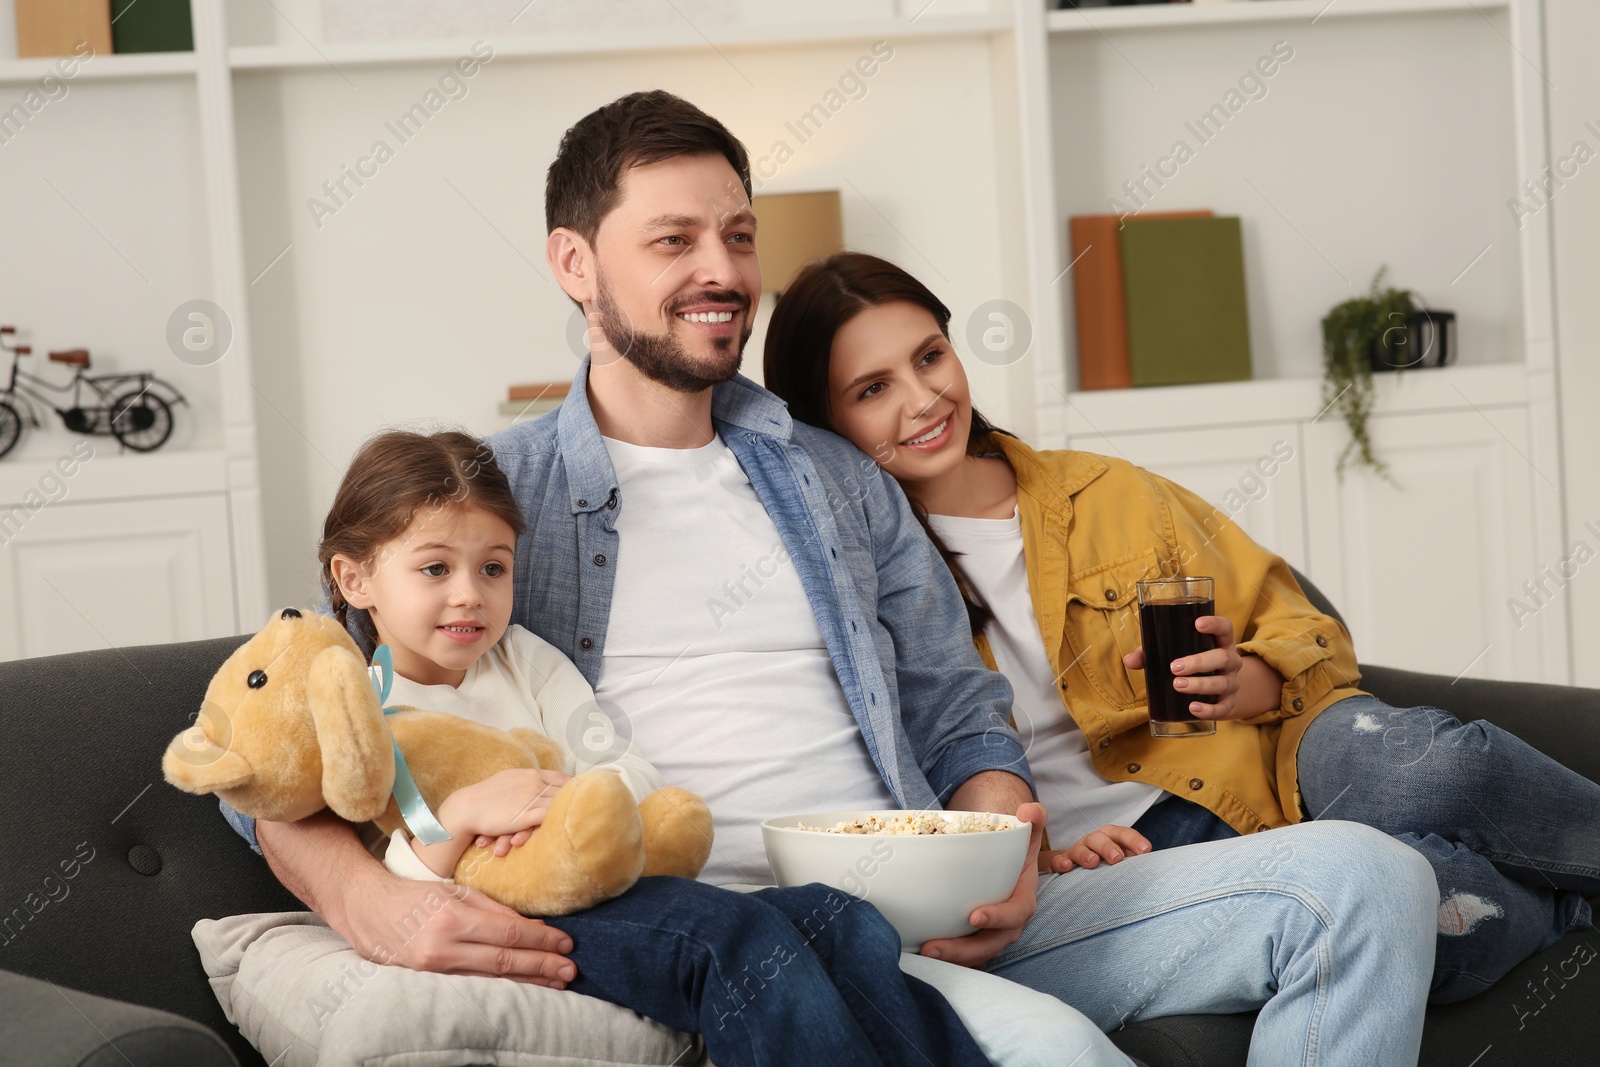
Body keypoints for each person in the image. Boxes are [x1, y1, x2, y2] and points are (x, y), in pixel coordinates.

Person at [223, 90, 1437, 1066]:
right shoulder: (493, 498)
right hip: (742, 925)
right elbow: (289, 713)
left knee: (1365, 877)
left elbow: (951, 701)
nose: (722, 268)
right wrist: (359, 898)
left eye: (739, 235)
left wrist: (1007, 826)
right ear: (574, 263)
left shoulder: (826, 474)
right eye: (674, 239)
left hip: (939, 900)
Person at [762, 248, 1600, 1004]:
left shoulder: (1107, 492)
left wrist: (1255, 676)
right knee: (1440, 902)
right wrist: (1047, 859)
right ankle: (1568, 904)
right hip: (1132, 852)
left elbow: (1308, 627)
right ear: (824, 425)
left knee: (1441, 764)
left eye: (930, 356)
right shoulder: (854, 592)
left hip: (1269, 753)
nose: (923, 398)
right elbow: (917, 791)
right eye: (873, 390)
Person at [305, 425, 999, 1067]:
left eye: (493, 568)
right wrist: (466, 815)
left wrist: (571, 803)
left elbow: (621, 761)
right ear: (354, 578)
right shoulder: (368, 702)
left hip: (604, 870)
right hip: (520, 904)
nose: (470, 595)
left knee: (841, 917)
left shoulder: (524, 658)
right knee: (733, 940)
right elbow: (394, 866)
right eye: (434, 569)